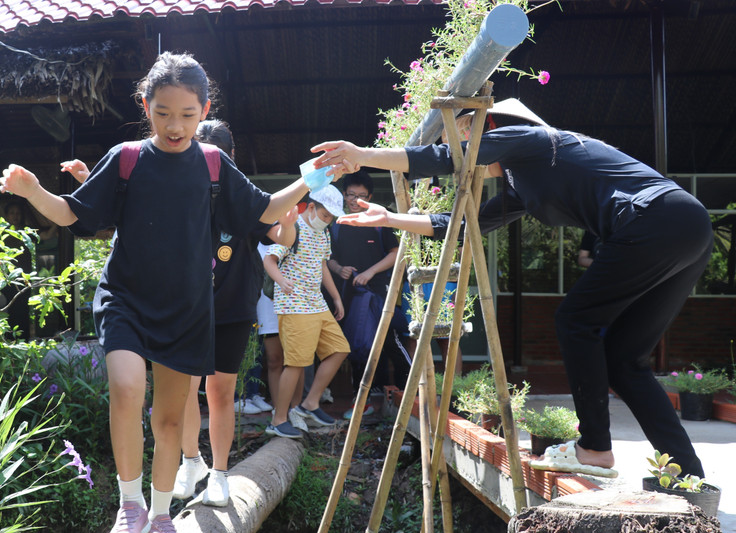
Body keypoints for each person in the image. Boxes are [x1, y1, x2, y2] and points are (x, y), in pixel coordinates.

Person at [0, 52, 342, 533]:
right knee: (126, 387)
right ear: (146, 106)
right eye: (162, 113)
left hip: (187, 308)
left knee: (169, 419)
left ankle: (161, 518)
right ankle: (129, 507)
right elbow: (71, 214)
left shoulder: (212, 164)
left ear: (204, 111)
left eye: (186, 114)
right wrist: (33, 190)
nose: (174, 125)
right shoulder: (126, 158)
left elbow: (267, 210)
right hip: (126, 300)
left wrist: (313, 178)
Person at [315, 98, 712, 479]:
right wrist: (391, 218)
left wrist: (361, 154)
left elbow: (445, 159)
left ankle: (594, 446)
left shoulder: (534, 140)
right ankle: (685, 471)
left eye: (466, 132)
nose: (462, 145)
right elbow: (457, 224)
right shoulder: (523, 182)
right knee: (625, 360)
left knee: (575, 321)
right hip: (686, 229)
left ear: (492, 126)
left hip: (655, 220)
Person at [171, 120, 297, 507]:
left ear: (228, 157)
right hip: (188, 305)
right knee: (186, 388)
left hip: (234, 305)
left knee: (220, 391)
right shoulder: (178, 191)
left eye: (216, 153)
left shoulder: (244, 196)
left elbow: (282, 239)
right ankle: (191, 462)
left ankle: (220, 473)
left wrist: (289, 226)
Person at [264, 185, 350, 438]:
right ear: (311, 207)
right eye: (325, 216)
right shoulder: (295, 228)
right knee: (296, 363)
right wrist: (281, 281)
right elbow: (269, 259)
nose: (328, 221)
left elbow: (322, 265)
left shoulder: (323, 233)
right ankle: (278, 420)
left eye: (331, 218)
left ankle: (309, 404)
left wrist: (336, 297)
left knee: (339, 349)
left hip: (316, 304)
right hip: (294, 305)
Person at [327, 170, 409, 415]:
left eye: (361, 196)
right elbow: (327, 258)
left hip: (380, 293)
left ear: (370, 197)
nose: (355, 201)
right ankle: (361, 402)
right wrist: (339, 268)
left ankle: (412, 396)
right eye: (351, 195)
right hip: (350, 296)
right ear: (344, 195)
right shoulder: (337, 224)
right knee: (358, 345)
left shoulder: (379, 221)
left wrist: (370, 272)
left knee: (391, 341)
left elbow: (397, 254)